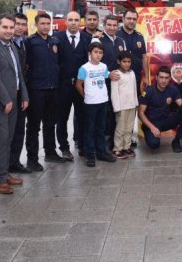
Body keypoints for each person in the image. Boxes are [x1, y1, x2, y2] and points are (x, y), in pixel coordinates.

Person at [0, 14, 29, 195]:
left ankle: (5, 172)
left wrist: (24, 96)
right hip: (0, 103)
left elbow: (19, 74)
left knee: (8, 139)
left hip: (15, 100)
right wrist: (6, 100)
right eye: (6, 27)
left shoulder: (12, 45)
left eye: (12, 27)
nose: (9, 31)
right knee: (1, 140)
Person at [25, 12, 63, 170]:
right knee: (33, 126)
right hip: (37, 90)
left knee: (50, 124)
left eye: (48, 23)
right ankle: (32, 159)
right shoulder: (30, 42)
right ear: (36, 25)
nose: (46, 26)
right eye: (42, 23)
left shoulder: (55, 41)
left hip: (53, 89)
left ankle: (50, 152)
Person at [55, 11, 92, 160]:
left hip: (81, 86)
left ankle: (83, 146)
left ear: (80, 21)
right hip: (62, 86)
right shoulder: (57, 38)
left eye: (76, 20)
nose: (73, 22)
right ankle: (64, 147)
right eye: (70, 20)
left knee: (83, 116)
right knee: (62, 118)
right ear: (66, 21)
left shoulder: (87, 38)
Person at [76, 42, 116, 166]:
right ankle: (90, 154)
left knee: (101, 129)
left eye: (100, 53)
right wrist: (86, 96)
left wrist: (112, 74)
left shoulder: (103, 66)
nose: (98, 55)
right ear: (90, 53)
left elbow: (106, 76)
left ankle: (101, 152)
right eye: (95, 52)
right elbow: (78, 84)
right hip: (90, 104)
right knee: (89, 129)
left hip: (103, 101)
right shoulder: (84, 68)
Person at [138, 67, 182, 150]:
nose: (164, 80)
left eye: (166, 78)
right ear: (156, 77)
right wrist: (152, 128)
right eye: (161, 77)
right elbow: (140, 113)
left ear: (170, 78)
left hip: (166, 120)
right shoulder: (148, 91)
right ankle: (146, 130)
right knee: (154, 144)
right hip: (152, 122)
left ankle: (176, 141)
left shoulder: (173, 89)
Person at [9, 13, 31, 173]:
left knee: (19, 130)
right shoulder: (5, 43)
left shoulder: (23, 43)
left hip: (21, 93)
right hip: (7, 95)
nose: (20, 27)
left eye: (23, 24)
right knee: (5, 134)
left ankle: (14, 162)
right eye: (17, 24)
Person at [100, 15, 124, 148]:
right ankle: (104, 141)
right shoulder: (98, 40)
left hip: (118, 83)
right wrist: (108, 74)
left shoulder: (121, 41)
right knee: (105, 112)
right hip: (103, 83)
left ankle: (115, 140)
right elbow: (93, 64)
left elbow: (124, 62)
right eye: (109, 25)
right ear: (104, 25)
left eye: (114, 25)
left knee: (117, 110)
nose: (112, 28)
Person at [110, 51, 138, 159]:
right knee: (120, 129)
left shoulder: (132, 73)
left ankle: (127, 147)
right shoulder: (116, 74)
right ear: (119, 61)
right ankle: (117, 149)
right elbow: (114, 93)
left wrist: (136, 103)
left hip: (131, 105)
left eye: (129, 62)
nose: (127, 64)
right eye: (124, 61)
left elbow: (134, 90)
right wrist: (116, 108)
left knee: (129, 128)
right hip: (121, 107)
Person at [117, 9, 149, 93]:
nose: (131, 21)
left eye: (134, 19)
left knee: (136, 101)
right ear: (123, 19)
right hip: (120, 77)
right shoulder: (116, 34)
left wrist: (146, 76)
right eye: (129, 18)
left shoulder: (140, 36)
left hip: (136, 76)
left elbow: (144, 57)